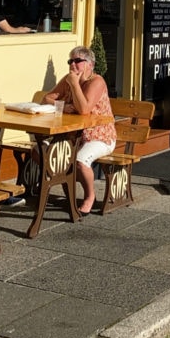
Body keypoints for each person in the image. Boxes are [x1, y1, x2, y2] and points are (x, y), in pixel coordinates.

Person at [43, 46, 116, 216]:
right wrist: (62, 106)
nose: (72, 65)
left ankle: (90, 196)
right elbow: (46, 98)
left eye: (77, 61)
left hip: (99, 135)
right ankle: (65, 183)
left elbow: (84, 109)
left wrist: (75, 84)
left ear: (90, 64)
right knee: (39, 152)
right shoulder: (68, 79)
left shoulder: (96, 82)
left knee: (80, 161)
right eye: (70, 61)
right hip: (72, 135)